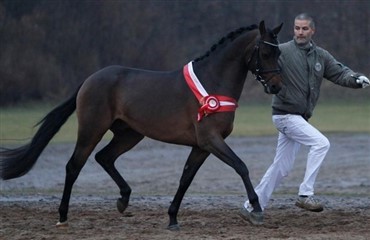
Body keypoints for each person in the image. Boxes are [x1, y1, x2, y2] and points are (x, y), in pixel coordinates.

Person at [240, 13, 369, 223]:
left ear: (312, 31)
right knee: (321, 143)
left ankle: (252, 206)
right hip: (284, 115)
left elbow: (339, 73)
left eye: (304, 29)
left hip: (298, 117)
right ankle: (305, 194)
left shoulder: (321, 56)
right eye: (297, 28)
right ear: (293, 30)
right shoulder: (282, 51)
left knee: (281, 168)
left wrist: (356, 79)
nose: (300, 32)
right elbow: (261, 61)